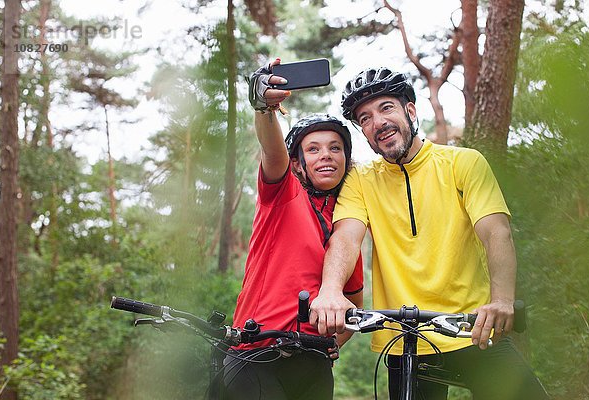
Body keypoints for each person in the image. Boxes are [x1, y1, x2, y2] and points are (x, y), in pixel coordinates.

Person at [309, 67, 549, 399]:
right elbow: (347, 238)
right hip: (404, 339)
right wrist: (331, 291)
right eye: (364, 118)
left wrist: (502, 300)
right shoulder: (361, 180)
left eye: (386, 108)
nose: (377, 122)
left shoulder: (463, 163)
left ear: (410, 110)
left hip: (472, 329)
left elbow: (496, 232)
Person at [220, 59, 364, 400]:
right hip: (254, 353)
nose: (326, 156)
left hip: (312, 361)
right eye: (313, 149)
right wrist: (264, 107)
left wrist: (334, 342)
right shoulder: (284, 194)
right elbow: (272, 151)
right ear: (298, 163)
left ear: (346, 159)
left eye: (335, 148)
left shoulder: (347, 226)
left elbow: (354, 302)